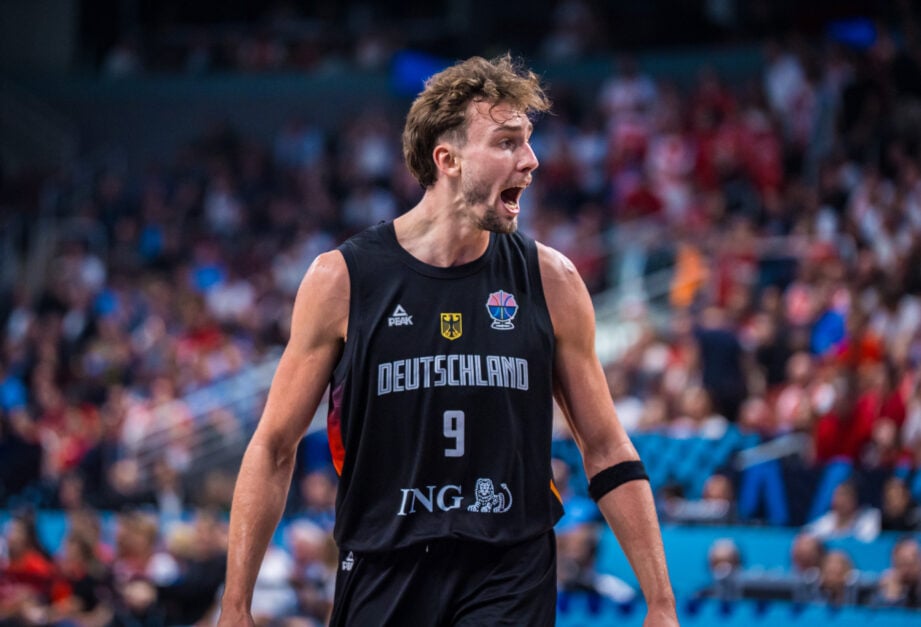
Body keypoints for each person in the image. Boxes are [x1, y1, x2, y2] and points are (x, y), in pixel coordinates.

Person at [218, 54, 677, 626]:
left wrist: (661, 602)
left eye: (528, 141)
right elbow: (274, 446)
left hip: (510, 566)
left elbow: (606, 446)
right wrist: (235, 605)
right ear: (448, 159)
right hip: (385, 565)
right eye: (508, 142)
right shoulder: (342, 280)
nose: (531, 161)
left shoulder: (552, 280)